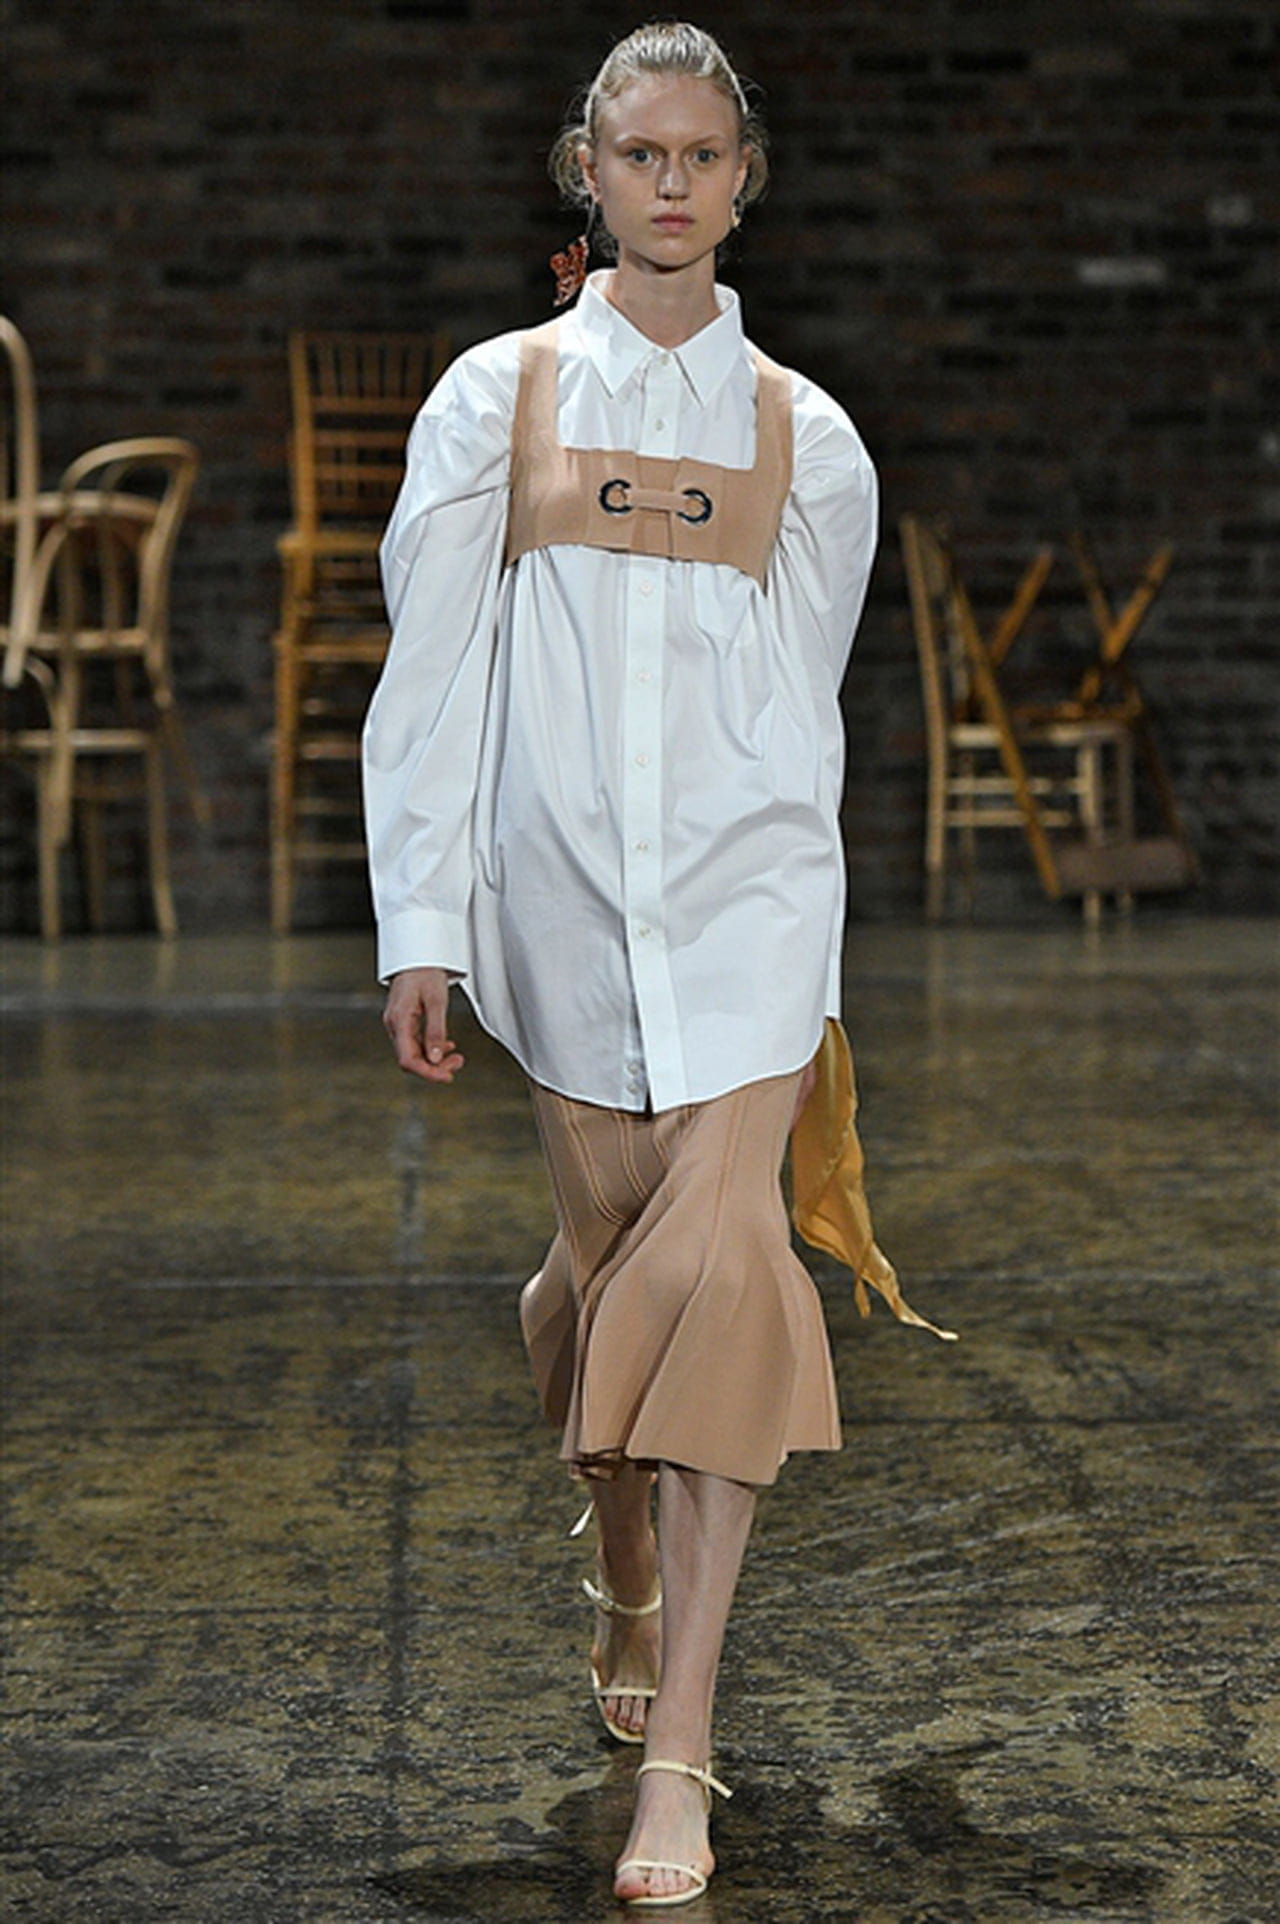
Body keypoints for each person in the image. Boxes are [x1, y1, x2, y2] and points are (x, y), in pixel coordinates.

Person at [364, 20, 948, 1907]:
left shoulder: (809, 438)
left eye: (704, 155)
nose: (672, 183)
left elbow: (801, 701)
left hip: (749, 911)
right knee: (607, 1276)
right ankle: (615, 1550)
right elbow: (432, 674)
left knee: (719, 1271)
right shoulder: (496, 400)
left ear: (743, 180)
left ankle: (680, 1748)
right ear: (588, 172)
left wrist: (796, 925)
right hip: (556, 919)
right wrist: (422, 925)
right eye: (640, 154)